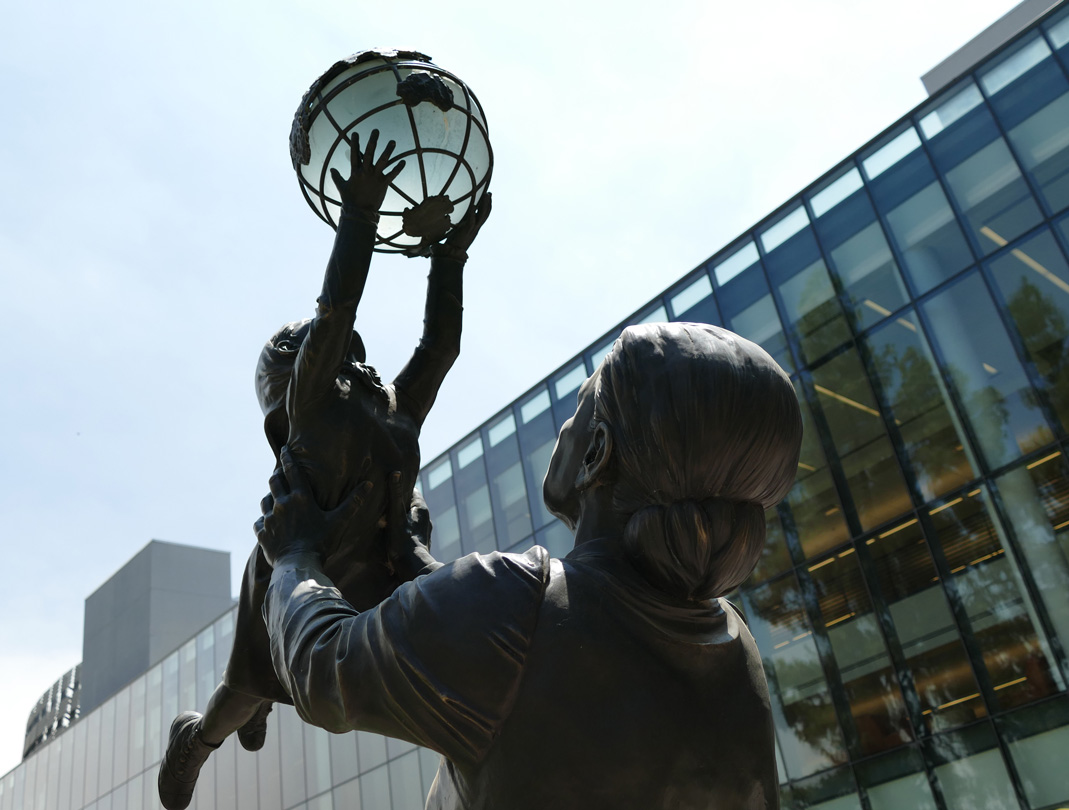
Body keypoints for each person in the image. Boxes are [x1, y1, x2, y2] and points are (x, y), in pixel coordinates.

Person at [256, 322, 803, 809]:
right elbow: (538, 660)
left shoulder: (512, 598)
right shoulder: (734, 642)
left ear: (596, 454)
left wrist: (294, 555)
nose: (566, 427)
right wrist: (418, 564)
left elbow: (324, 668)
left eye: (582, 404)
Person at [158, 130, 492, 810]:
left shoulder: (394, 413)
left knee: (445, 664)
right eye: (334, 352)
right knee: (243, 691)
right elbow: (337, 311)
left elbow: (440, 344)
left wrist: (450, 257)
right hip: (300, 563)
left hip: (380, 567)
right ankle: (197, 739)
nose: (359, 358)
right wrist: (360, 213)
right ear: (296, 371)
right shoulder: (311, 405)